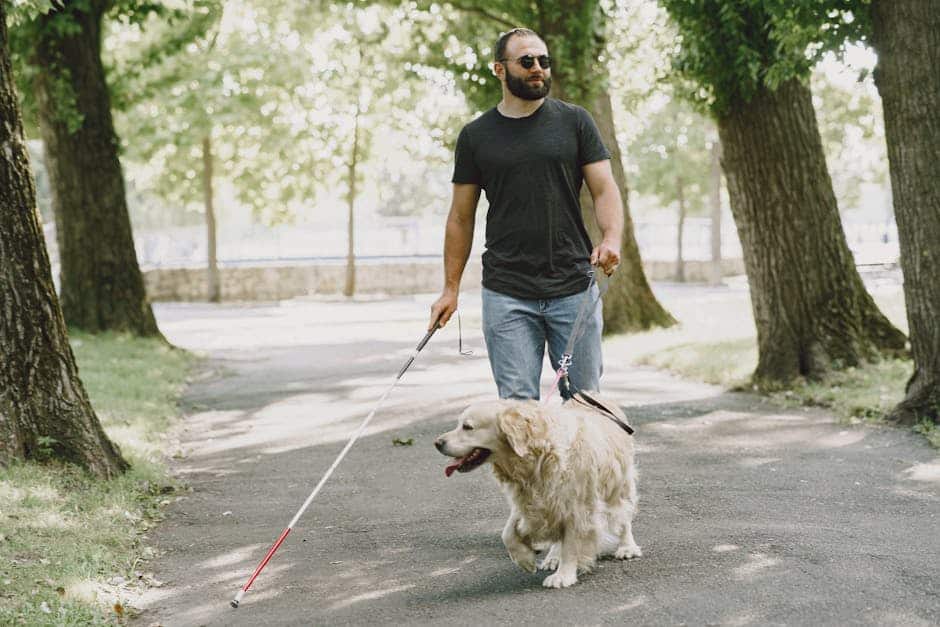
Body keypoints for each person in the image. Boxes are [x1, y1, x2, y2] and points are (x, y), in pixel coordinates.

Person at [428, 27, 624, 400]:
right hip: (507, 294)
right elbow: (460, 217)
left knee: (586, 402)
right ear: (499, 70)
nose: (538, 68)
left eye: (544, 61)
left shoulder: (576, 122)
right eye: (527, 61)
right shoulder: (476, 136)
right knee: (517, 411)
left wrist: (611, 238)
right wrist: (450, 289)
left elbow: (604, 188)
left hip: (572, 288)